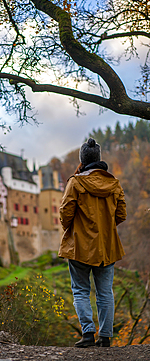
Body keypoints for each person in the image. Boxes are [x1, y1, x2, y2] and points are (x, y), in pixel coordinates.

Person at [59, 138, 127, 348]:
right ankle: (105, 337)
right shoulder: (114, 183)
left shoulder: (76, 182)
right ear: (98, 158)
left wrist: (74, 229)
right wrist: (105, 228)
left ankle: (88, 334)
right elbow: (122, 214)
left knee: (80, 290)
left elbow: (65, 214)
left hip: (79, 247)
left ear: (82, 159)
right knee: (105, 292)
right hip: (106, 247)